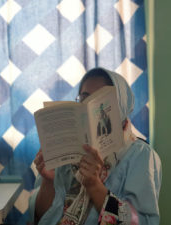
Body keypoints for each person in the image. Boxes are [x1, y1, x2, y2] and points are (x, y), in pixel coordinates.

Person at [28, 68, 162, 225]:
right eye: (84, 98)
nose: (90, 107)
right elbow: (39, 216)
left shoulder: (141, 156)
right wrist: (48, 181)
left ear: (121, 105)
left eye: (101, 101)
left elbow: (141, 221)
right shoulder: (67, 151)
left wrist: (94, 185)